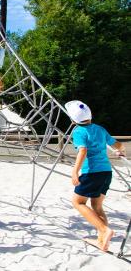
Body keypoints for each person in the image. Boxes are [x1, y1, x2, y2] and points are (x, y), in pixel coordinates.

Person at [66, 100, 126, 252]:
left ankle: (104, 230)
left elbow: (83, 151)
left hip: (91, 173)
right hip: (106, 172)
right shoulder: (100, 129)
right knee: (97, 206)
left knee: (78, 202)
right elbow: (118, 145)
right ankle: (102, 240)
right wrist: (121, 150)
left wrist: (75, 172)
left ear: (73, 120)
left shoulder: (78, 131)